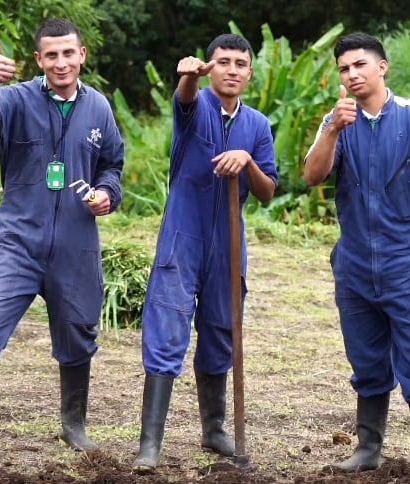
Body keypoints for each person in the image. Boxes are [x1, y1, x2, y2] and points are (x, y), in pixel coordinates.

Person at [0, 18, 124, 458]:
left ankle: (74, 426)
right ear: (38, 59)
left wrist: (108, 193)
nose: (61, 63)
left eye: (68, 53)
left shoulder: (99, 109)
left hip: (76, 243)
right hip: (18, 239)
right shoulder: (14, 100)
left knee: (78, 333)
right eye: (51, 55)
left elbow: (112, 164)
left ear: (82, 55)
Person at [303, 33, 410, 481]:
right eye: (343, 69)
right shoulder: (336, 120)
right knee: (366, 360)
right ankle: (368, 448)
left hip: (407, 263)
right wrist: (335, 129)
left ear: (383, 67)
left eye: (360, 65)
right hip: (354, 262)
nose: (352, 74)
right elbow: (311, 174)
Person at [131, 33, 278, 474]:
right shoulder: (193, 108)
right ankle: (149, 444)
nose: (232, 69)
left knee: (220, 332)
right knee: (167, 327)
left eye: (240, 63)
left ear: (250, 73)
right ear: (210, 68)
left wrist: (245, 160)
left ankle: (214, 430)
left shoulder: (257, 124)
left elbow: (268, 191)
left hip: (229, 242)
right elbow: (185, 97)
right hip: (184, 235)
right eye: (223, 62)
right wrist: (187, 78)